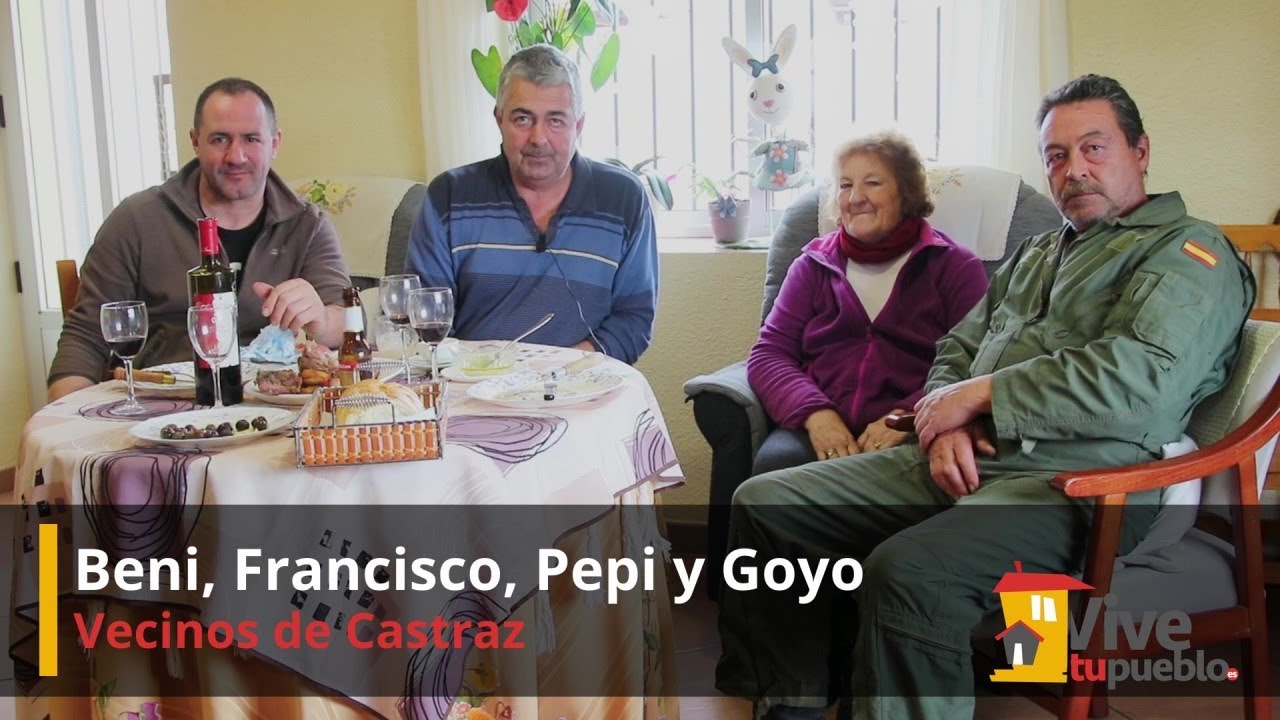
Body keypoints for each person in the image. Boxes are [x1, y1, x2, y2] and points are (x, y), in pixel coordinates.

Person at [716, 74, 1255, 720]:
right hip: (967, 456)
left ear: (1140, 152)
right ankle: (794, 701)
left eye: (1094, 148)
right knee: (766, 505)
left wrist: (980, 396)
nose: (1074, 170)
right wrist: (944, 425)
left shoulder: (1190, 253)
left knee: (908, 574)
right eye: (1056, 156)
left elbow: (1138, 382)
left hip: (1080, 480)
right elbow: (955, 350)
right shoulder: (1035, 254)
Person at [47, 77, 351, 402]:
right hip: (163, 412)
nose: (236, 156)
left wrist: (319, 316)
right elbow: (87, 335)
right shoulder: (135, 220)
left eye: (251, 139)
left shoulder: (308, 223)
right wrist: (65, 414)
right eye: (220, 139)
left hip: (271, 407)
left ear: (274, 143)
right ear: (195, 141)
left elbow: (345, 325)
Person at [747, 130, 988, 472]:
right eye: (845, 185)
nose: (855, 197)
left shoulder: (955, 267)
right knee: (768, 476)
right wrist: (817, 414)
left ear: (906, 193)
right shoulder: (812, 265)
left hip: (913, 428)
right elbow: (769, 354)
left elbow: (976, 361)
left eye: (873, 183)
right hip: (816, 425)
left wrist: (907, 414)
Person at [404, 44, 657, 364]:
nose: (538, 138)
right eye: (523, 119)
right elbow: (425, 323)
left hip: (583, 382)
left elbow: (634, 320)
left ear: (578, 125)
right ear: (499, 120)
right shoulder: (449, 196)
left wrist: (554, 369)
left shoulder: (623, 198)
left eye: (555, 120)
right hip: (474, 387)